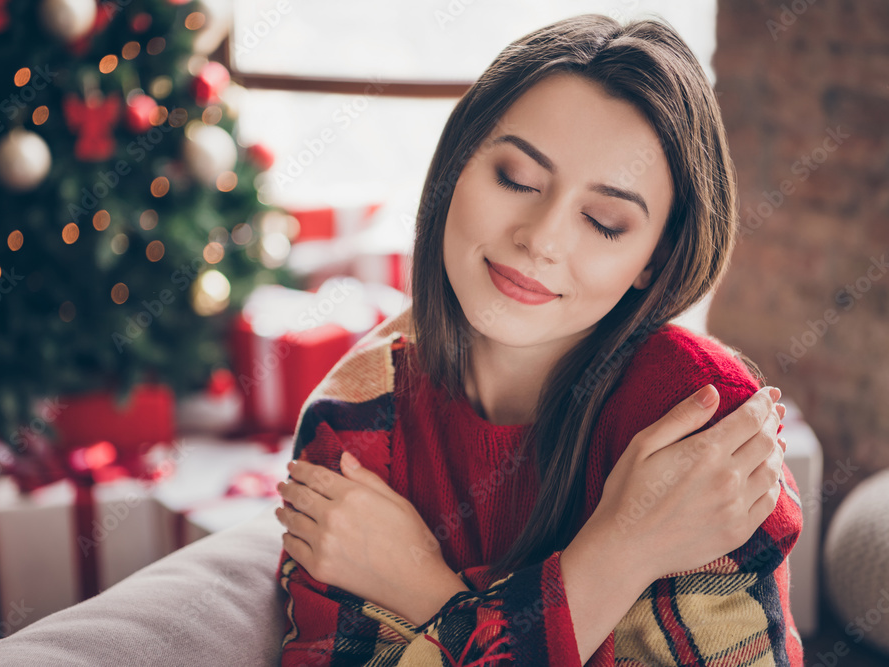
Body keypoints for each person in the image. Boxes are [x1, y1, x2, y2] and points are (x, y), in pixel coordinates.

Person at [273, 13, 803, 667]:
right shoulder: (357, 416)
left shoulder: (700, 419)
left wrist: (425, 589)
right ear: (457, 165)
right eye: (517, 179)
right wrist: (610, 568)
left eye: (605, 221)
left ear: (652, 259)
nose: (542, 239)